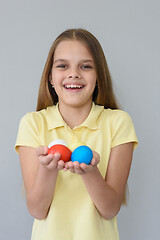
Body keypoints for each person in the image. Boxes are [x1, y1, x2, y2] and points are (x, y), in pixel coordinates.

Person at [15, 28, 138, 240]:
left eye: (86, 66)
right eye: (62, 66)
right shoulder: (32, 123)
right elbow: (37, 210)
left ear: (99, 76)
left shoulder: (118, 122)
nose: (74, 73)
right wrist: (48, 169)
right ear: (51, 77)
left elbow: (110, 209)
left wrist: (90, 172)